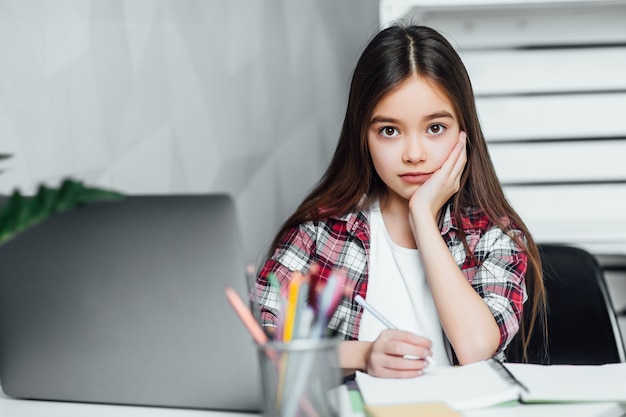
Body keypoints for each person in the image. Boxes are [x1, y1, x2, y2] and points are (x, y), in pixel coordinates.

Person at [253, 24, 546, 378]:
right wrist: (363, 355)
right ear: (364, 136)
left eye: (435, 128)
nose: (414, 154)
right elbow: (259, 339)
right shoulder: (321, 233)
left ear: (463, 131)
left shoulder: (494, 234)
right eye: (389, 131)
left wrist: (422, 216)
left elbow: (475, 348)